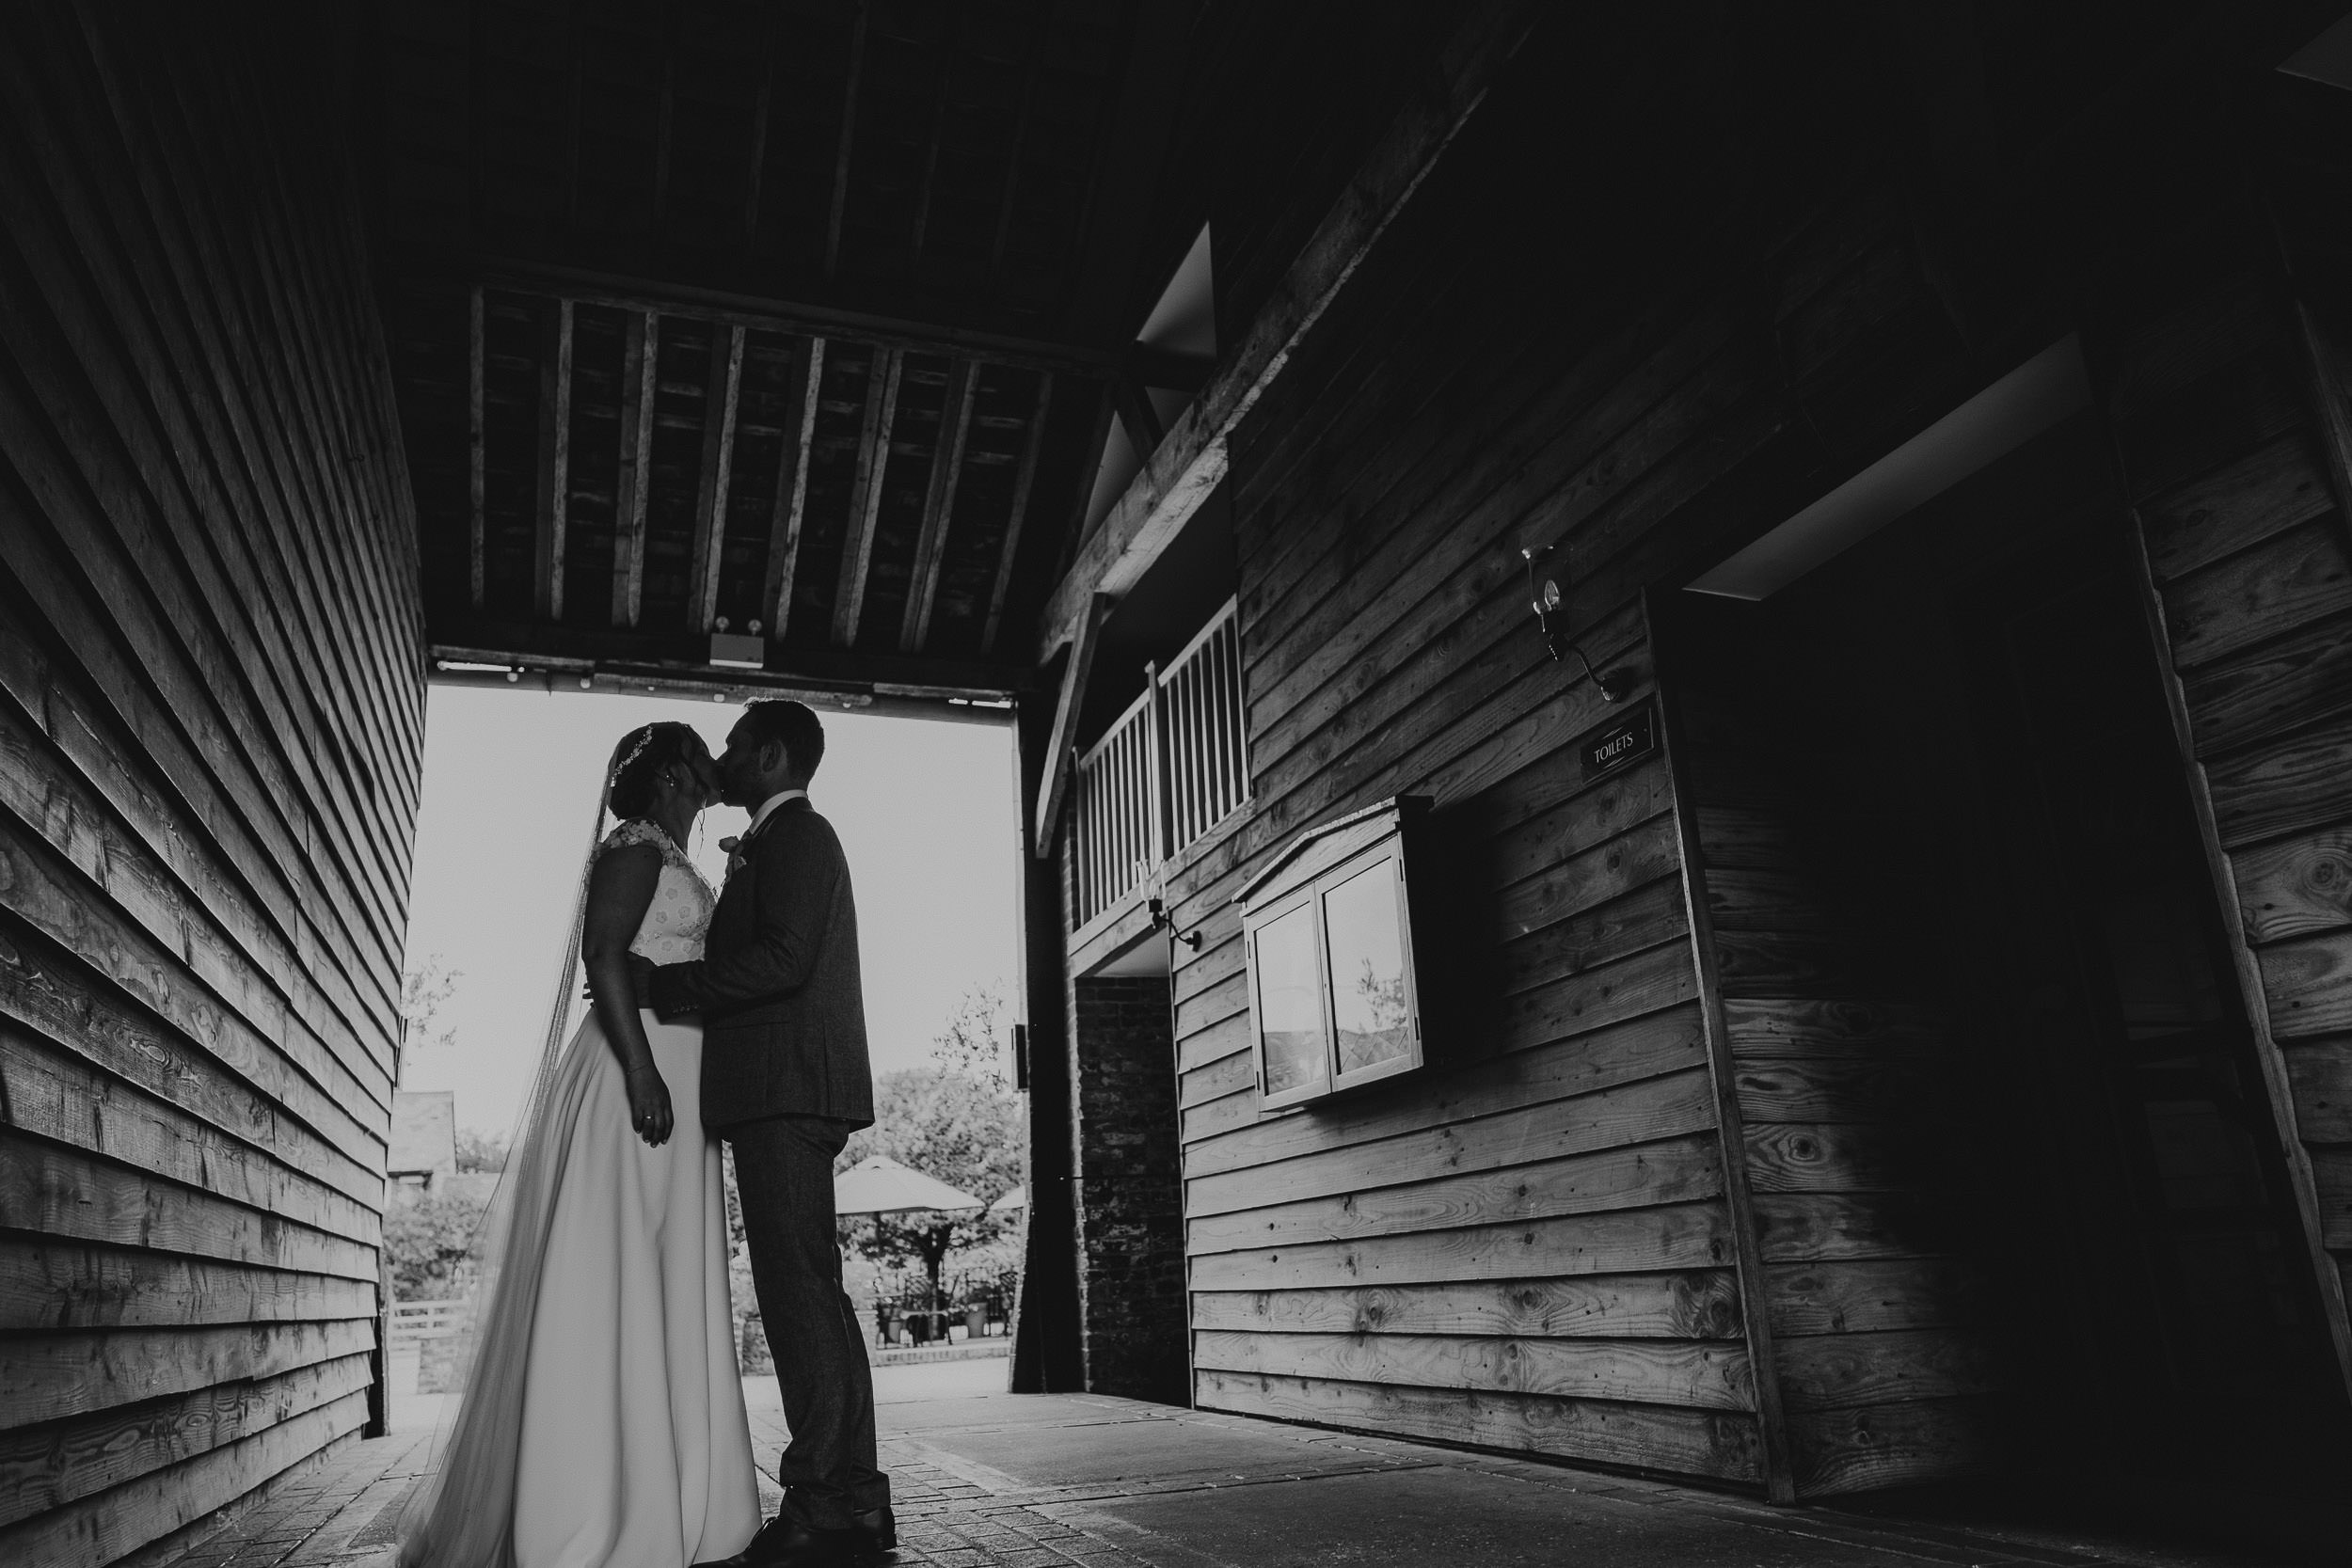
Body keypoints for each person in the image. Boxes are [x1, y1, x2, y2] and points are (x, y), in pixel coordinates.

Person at [399, 721, 762, 1568]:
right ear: (674, 771)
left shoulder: (680, 857)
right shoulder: (633, 849)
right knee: (616, 1272)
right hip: (635, 1075)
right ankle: (591, 1504)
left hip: (682, 1073)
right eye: (704, 754)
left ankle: (674, 1496)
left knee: (669, 1277)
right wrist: (641, 1073)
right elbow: (604, 956)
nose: (718, 763)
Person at [632, 699, 894, 1568]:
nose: (726, 754)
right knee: (809, 1291)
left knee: (798, 1294)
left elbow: (785, 958)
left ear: (773, 754)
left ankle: (821, 1500)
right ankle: (851, 1499)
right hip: (778, 1089)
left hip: (789, 1088)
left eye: (739, 743)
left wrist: (672, 987)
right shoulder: (772, 845)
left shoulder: (800, 838)